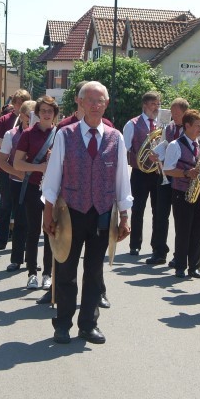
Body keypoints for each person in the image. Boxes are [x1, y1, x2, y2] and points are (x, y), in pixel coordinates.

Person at [42, 81, 132, 345]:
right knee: (66, 270)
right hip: (71, 212)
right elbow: (52, 178)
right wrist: (48, 214)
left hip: (102, 213)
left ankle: (88, 324)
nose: (96, 105)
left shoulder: (116, 137)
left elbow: (121, 180)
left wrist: (125, 216)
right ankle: (63, 325)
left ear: (106, 104)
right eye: (91, 100)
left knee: (94, 272)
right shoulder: (65, 134)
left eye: (100, 101)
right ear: (80, 103)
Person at [15, 96, 58, 291]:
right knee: (33, 232)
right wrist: (39, 167)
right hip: (33, 187)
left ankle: (47, 273)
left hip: (53, 190)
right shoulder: (27, 134)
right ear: (38, 114)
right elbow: (17, 163)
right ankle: (32, 272)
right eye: (43, 111)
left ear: (54, 114)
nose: (47, 114)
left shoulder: (61, 134)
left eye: (50, 111)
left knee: (50, 231)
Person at [162, 109, 200, 279]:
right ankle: (180, 265)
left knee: (198, 230)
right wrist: (187, 173)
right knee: (183, 230)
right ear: (187, 126)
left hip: (199, 192)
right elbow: (168, 169)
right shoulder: (175, 145)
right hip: (181, 193)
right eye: (197, 126)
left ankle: (195, 266)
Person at [147, 97, 188, 265]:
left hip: (183, 177)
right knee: (160, 214)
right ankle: (159, 251)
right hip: (165, 175)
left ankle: (180, 256)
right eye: (173, 114)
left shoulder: (193, 127)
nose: (174, 117)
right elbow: (164, 144)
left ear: (185, 112)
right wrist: (155, 153)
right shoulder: (169, 128)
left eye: (177, 114)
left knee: (181, 218)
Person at [0, 100, 34, 270]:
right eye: (31, 115)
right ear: (23, 116)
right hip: (17, 183)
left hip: (37, 184)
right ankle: (17, 259)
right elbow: (2, 162)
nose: (34, 119)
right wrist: (17, 172)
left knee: (34, 225)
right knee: (20, 222)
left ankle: (32, 261)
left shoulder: (45, 134)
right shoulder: (11, 134)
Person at [123, 91, 162, 255]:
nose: (157, 107)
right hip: (139, 172)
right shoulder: (132, 124)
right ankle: (135, 244)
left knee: (158, 211)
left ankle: (156, 245)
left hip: (158, 172)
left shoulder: (162, 123)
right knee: (138, 209)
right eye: (154, 104)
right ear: (145, 105)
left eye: (158, 104)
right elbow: (125, 148)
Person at [0, 90, 32, 244]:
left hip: (25, 172)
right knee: (5, 205)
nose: (19, 106)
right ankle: (0, 240)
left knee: (24, 209)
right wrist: (12, 141)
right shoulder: (5, 120)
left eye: (23, 103)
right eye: (17, 102)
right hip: (6, 170)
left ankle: (21, 243)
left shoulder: (34, 122)